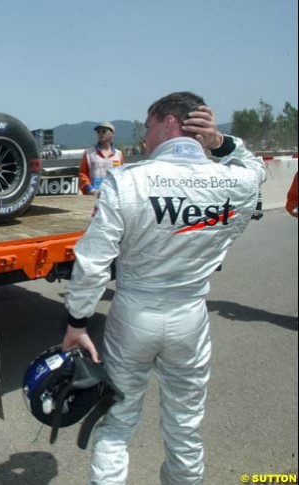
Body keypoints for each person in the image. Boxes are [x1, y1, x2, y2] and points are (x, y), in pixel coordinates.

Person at [60, 92, 265, 484]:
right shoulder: (232, 180)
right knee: (185, 427)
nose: (145, 136)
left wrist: (77, 324)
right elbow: (255, 169)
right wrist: (221, 143)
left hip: (135, 313)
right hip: (190, 316)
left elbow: (93, 262)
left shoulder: (129, 179)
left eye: (149, 125)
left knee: (116, 423)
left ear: (170, 122)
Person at [79, 121, 124, 196]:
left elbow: (121, 175)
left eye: (104, 131)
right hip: (94, 195)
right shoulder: (88, 153)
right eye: (98, 132)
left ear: (112, 134)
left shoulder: (118, 154)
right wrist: (89, 188)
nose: (100, 133)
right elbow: (82, 174)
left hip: (113, 195)